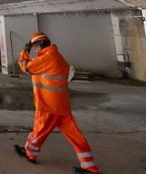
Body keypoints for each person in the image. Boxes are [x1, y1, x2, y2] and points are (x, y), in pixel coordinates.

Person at [14, 32, 100, 173]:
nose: (34, 50)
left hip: (48, 105)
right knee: (75, 136)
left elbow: (25, 66)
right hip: (61, 106)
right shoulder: (57, 57)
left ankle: (30, 154)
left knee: (39, 131)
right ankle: (90, 166)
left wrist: (25, 50)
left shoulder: (47, 58)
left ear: (40, 45)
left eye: (35, 46)